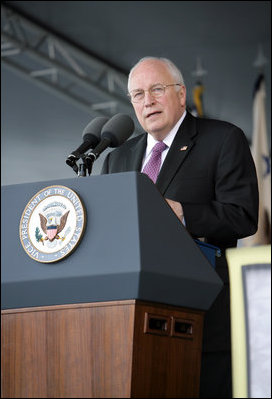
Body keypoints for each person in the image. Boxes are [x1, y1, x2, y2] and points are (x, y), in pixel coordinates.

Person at [101, 56, 259, 397]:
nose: (148, 100)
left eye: (157, 89)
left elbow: (243, 215)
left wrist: (182, 212)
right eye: (138, 94)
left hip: (204, 314)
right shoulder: (117, 157)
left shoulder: (222, 139)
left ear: (181, 94)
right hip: (134, 316)